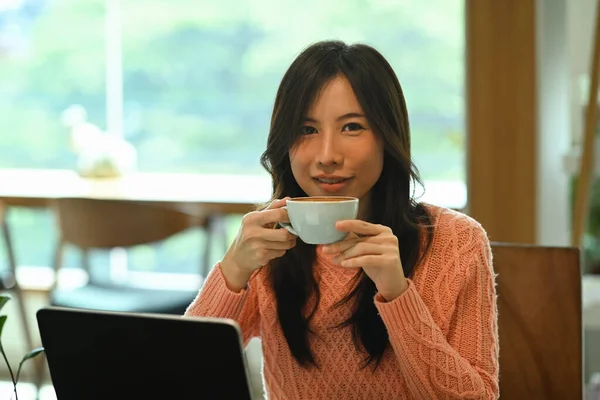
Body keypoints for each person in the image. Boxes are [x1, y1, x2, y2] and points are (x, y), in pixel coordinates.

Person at [185, 40, 499, 399]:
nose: (327, 155)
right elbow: (178, 375)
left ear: (388, 136)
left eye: (352, 127)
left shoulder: (457, 242)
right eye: (306, 130)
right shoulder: (268, 241)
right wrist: (234, 270)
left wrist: (397, 294)